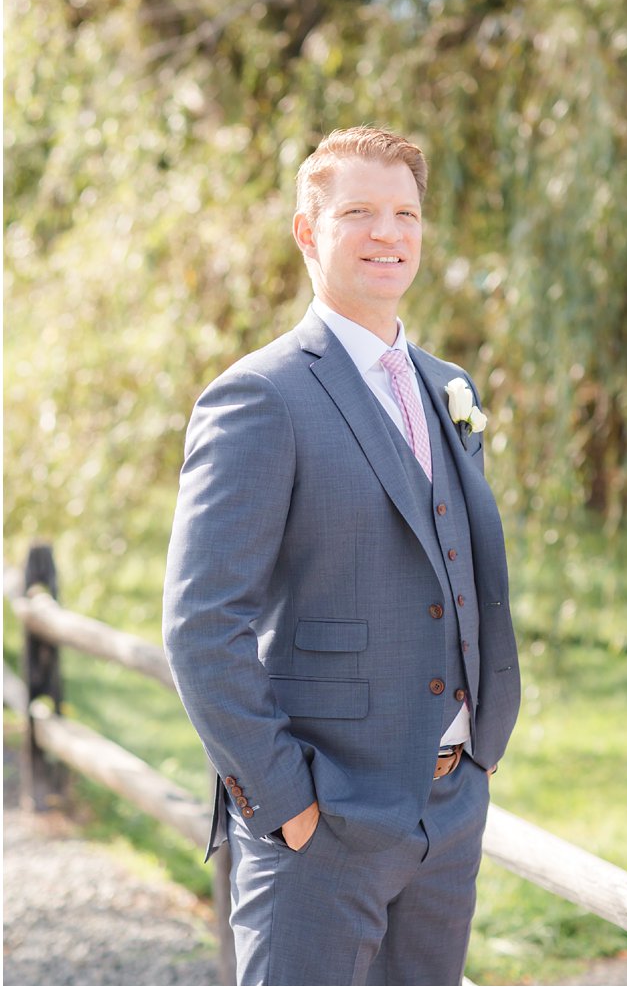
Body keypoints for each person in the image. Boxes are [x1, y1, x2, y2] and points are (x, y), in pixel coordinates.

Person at [163, 127, 520, 986]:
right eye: (358, 211)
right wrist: (286, 804)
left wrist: (479, 756)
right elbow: (202, 626)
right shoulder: (261, 395)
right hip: (325, 822)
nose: (388, 233)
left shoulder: (446, 386)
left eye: (405, 212)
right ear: (307, 230)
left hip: (449, 808)